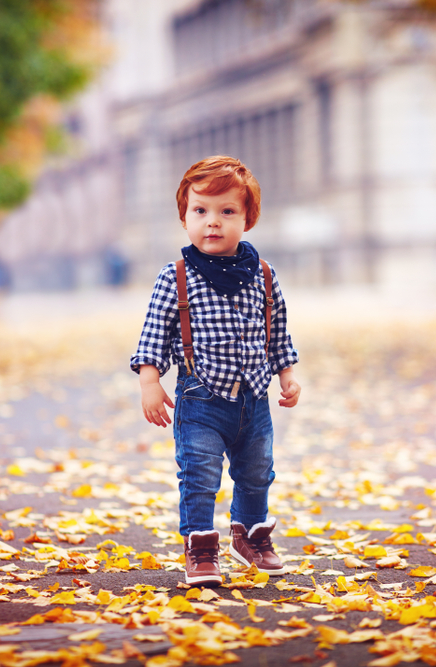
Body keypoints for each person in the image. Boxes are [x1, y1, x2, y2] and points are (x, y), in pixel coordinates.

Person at [130, 155, 301, 586]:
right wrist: (150, 381)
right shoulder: (176, 278)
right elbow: (153, 334)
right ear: (184, 217)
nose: (213, 222)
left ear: (248, 219)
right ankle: (201, 549)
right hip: (200, 399)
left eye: (227, 212)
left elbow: (277, 329)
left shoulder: (263, 274)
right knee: (200, 474)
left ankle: (250, 537)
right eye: (200, 211)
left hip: (254, 401)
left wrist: (288, 375)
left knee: (257, 471)